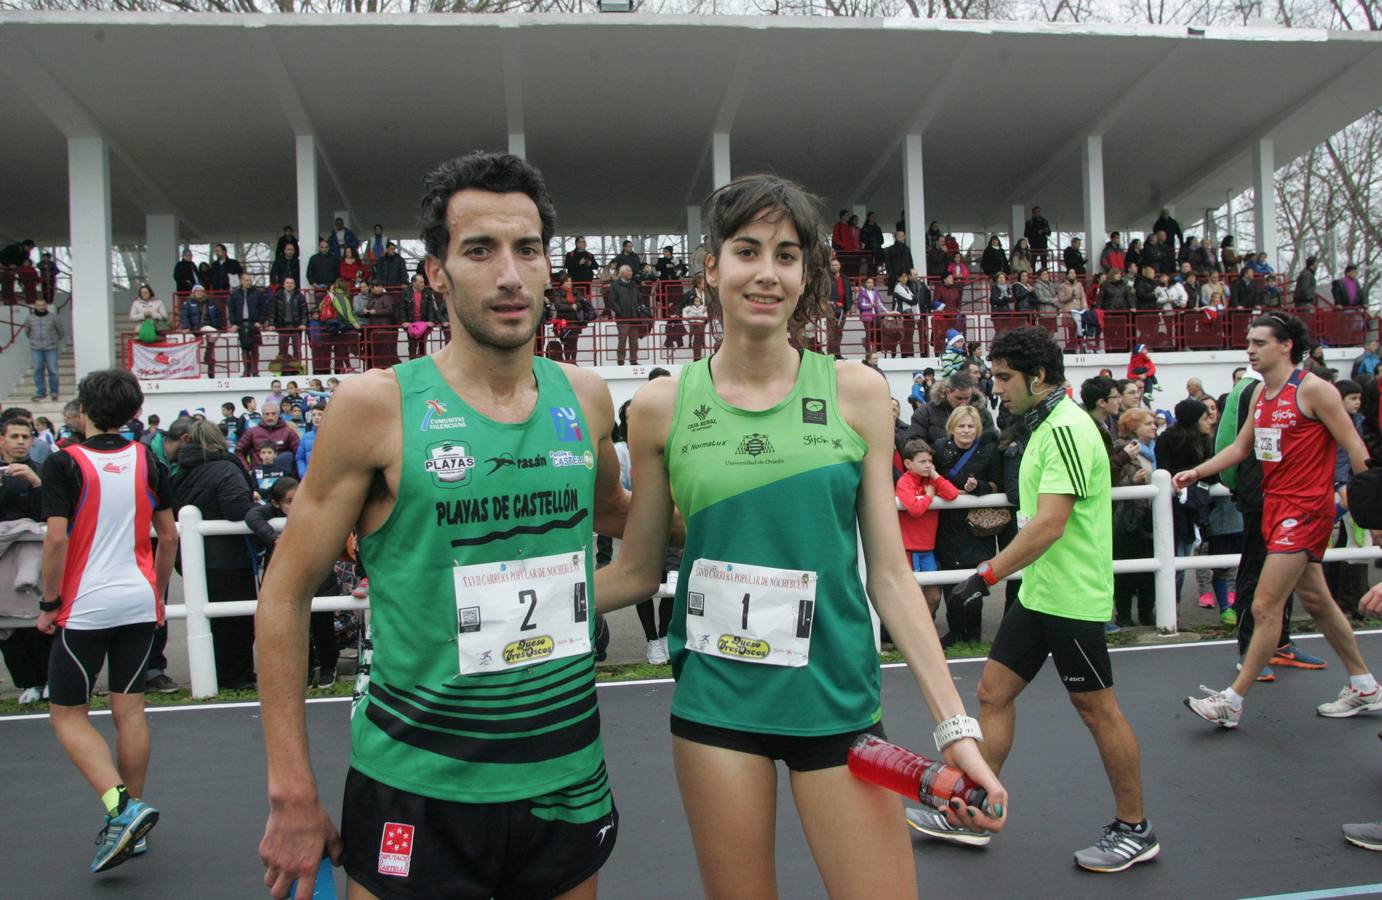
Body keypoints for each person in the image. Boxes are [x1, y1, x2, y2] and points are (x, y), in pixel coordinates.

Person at [592, 172, 1005, 899]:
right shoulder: (660, 407)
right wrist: (488, 609)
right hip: (717, 707)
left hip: (836, 705)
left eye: (786, 255)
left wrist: (955, 729)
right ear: (712, 266)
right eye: (747, 250)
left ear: (806, 273)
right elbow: (633, 572)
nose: (767, 272)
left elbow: (889, 576)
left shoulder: (857, 391)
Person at [255, 152, 635, 900]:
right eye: (479, 250)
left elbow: (620, 513)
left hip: (563, 773)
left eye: (527, 250)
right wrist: (291, 790)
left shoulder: (585, 396)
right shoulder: (374, 406)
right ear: (436, 272)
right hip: (416, 779)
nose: (509, 276)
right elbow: (286, 595)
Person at [909, 327, 1158, 872]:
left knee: (1097, 711)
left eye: (1003, 378)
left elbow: (1049, 524)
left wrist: (986, 575)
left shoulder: (1066, 428)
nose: (996, 389)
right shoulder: (1042, 425)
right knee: (993, 693)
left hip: (1072, 597)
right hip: (1041, 592)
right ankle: (970, 812)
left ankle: (1136, 829)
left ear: (1038, 377)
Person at [1180, 314, 1379, 728]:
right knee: (1319, 602)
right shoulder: (1259, 394)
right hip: (1276, 507)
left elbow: (1355, 447)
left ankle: (1232, 700)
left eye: (1259, 342)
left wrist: (1374, 509)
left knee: (1265, 603)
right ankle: (1365, 686)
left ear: (1286, 345)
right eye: (1248, 342)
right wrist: (1197, 472)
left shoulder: (1314, 390)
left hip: (1306, 511)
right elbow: (1240, 447)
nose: (1250, 349)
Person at [35, 369, 177, 873]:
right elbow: (170, 537)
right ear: (134, 412)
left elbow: (56, 540)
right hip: (139, 599)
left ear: (82, 411)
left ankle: (123, 808)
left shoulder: (62, 463)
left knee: (67, 713)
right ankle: (129, 827)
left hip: (86, 604)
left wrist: (50, 603)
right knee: (130, 709)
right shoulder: (149, 460)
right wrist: (158, 597)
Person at [172, 421, 258, 690]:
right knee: (236, 623)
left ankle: (214, 673)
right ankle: (235, 676)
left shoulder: (178, 472)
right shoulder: (226, 468)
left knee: (210, 620)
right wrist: (254, 504)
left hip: (192, 557)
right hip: (228, 558)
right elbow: (235, 508)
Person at [245, 477, 340, 688]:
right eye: (289, 501)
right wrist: (274, 538)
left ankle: (328, 666)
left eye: (299, 498)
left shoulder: (316, 508)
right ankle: (305, 668)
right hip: (288, 575)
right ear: (276, 504)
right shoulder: (269, 514)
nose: (296, 505)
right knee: (295, 624)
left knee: (322, 623)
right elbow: (252, 515)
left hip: (319, 575)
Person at [932, 405, 1001, 646]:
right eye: (961, 425)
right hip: (947, 526)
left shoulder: (988, 450)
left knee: (974, 584)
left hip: (976, 529)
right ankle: (955, 634)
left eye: (971, 426)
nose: (966, 430)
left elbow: (996, 484)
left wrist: (978, 487)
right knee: (951, 582)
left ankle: (973, 637)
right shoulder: (940, 448)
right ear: (952, 427)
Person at [896, 438, 959, 618]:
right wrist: (930, 496)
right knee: (911, 597)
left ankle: (926, 631)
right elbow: (915, 510)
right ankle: (911, 636)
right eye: (923, 462)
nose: (928, 465)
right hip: (909, 549)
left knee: (933, 596)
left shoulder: (931, 480)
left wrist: (935, 476)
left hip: (928, 549)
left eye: (930, 461)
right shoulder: (905, 482)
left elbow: (952, 494)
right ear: (908, 463)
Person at [23, 297, 63, 402]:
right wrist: (33, 341)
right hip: (36, 349)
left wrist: (54, 341)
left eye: (43, 305)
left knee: (53, 371)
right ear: (35, 306)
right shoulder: (29, 318)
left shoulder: (54, 317)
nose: (41, 307)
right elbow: (27, 332)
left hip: (51, 348)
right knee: (37, 370)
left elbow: (61, 331)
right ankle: (41, 393)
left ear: (46, 306)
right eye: (38, 305)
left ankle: (54, 392)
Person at [606, 264, 642, 365]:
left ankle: (633, 360)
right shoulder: (615, 285)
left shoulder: (634, 285)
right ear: (622, 273)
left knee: (634, 341)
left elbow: (639, 299)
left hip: (635, 317)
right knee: (622, 340)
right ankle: (620, 360)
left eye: (631, 271)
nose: (631, 273)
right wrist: (619, 311)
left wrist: (639, 310)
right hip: (622, 317)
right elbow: (612, 301)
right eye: (629, 271)